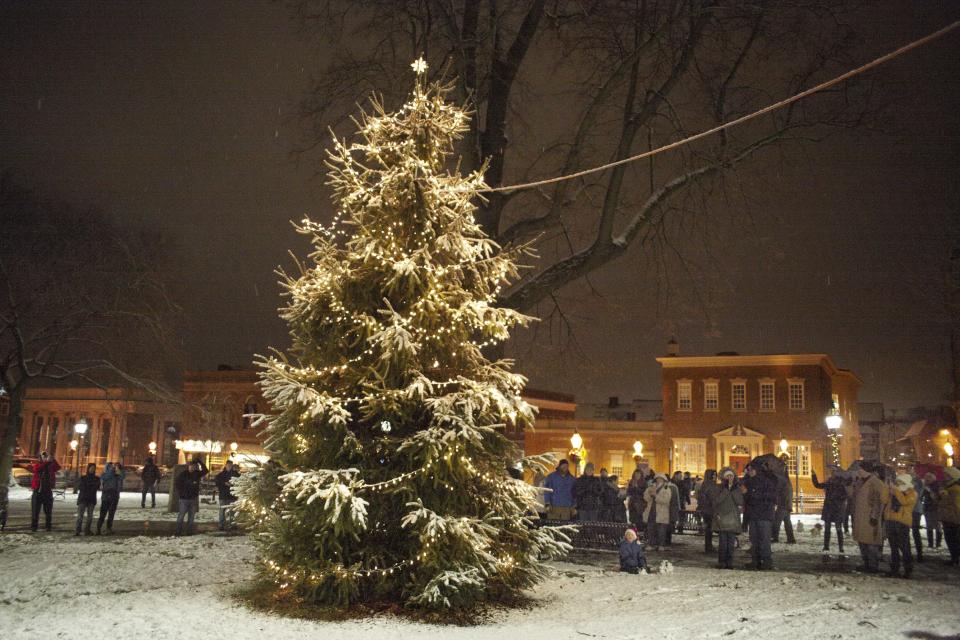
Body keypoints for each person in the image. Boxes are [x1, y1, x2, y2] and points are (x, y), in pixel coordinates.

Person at [851, 463, 888, 573]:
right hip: (860, 517)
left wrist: (875, 515)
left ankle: (873, 565)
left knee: (871, 541)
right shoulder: (859, 481)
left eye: (859, 469)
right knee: (862, 541)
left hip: (870, 517)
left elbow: (881, 498)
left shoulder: (875, 482)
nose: (857, 472)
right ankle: (866, 563)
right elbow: (853, 496)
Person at [741, 462, 777, 570]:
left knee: (764, 539)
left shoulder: (767, 481)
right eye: (748, 469)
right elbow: (748, 500)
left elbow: (768, 497)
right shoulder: (749, 482)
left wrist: (749, 493)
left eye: (752, 469)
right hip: (754, 515)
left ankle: (766, 561)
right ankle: (755, 561)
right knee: (754, 539)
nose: (749, 471)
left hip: (764, 515)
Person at [884, 473, 917, 578]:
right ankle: (895, 568)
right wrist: (887, 490)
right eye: (897, 482)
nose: (897, 484)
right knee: (893, 547)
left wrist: (896, 491)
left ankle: (908, 569)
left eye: (900, 482)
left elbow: (904, 501)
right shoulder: (894, 492)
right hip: (891, 520)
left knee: (904, 547)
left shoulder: (912, 493)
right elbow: (884, 500)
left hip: (902, 522)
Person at [812, 466, 848, 554]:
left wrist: (836, 499)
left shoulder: (841, 485)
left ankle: (840, 547)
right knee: (827, 529)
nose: (832, 474)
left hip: (836, 509)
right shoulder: (829, 483)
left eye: (833, 472)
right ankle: (827, 546)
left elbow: (844, 496)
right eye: (832, 473)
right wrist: (813, 475)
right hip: (829, 508)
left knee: (838, 529)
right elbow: (817, 485)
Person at [714, 468, 743, 569]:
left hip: (733, 519)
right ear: (723, 478)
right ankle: (722, 562)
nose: (730, 478)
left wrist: (733, 491)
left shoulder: (737, 488)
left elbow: (740, 501)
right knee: (722, 543)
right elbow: (717, 501)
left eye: (731, 476)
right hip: (722, 518)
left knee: (731, 543)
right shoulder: (719, 488)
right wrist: (726, 490)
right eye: (728, 476)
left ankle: (729, 562)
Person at [175, 457, 209, 536]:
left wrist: (200, 462)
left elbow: (206, 470)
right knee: (181, 515)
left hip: (193, 498)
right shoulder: (183, 474)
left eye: (194, 466)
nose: (192, 468)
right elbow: (177, 484)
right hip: (184, 499)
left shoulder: (196, 473)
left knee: (191, 517)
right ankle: (178, 531)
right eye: (191, 466)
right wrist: (181, 493)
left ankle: (189, 531)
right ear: (188, 466)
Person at [29, 452, 60, 532]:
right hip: (38, 491)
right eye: (44, 456)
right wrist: (47, 462)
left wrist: (53, 460)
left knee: (48, 511)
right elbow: (37, 469)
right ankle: (34, 526)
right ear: (40, 458)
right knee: (35, 511)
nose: (45, 458)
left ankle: (48, 526)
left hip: (47, 491)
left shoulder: (50, 466)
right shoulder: (38, 465)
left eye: (46, 456)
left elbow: (58, 467)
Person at [938, 466, 960, 566]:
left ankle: (955, 559)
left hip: (953, 518)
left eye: (946, 474)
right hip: (948, 517)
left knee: (953, 539)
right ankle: (954, 558)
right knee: (950, 538)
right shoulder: (948, 487)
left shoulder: (955, 489)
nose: (944, 476)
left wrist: (944, 496)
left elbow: (955, 504)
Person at [645, 474, 673, 551]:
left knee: (661, 529)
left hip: (662, 512)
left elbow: (666, 500)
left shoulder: (667, 489)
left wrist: (656, 496)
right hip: (651, 511)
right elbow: (645, 497)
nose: (659, 480)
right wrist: (650, 495)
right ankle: (651, 543)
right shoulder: (651, 487)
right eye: (657, 479)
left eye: (660, 479)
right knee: (651, 528)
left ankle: (661, 544)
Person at [772, 457, 795, 544]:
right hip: (786, 504)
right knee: (787, 522)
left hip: (783, 504)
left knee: (776, 521)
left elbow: (780, 492)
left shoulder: (782, 480)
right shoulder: (786, 480)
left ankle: (775, 537)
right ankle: (791, 539)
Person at [97, 462, 125, 535]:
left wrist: (118, 469)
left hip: (114, 495)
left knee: (111, 513)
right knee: (103, 513)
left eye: (112, 467)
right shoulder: (104, 474)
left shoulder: (116, 475)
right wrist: (112, 471)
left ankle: (109, 528)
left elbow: (122, 477)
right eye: (110, 467)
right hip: (106, 495)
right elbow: (106, 477)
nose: (112, 468)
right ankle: (98, 528)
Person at [696, 469, 720, 553]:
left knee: (708, 529)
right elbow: (713, 499)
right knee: (710, 528)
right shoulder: (711, 485)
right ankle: (709, 547)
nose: (715, 477)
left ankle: (708, 546)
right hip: (710, 510)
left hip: (705, 509)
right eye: (714, 475)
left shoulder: (704, 484)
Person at [215, 460, 241, 531]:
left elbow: (240, 481)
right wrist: (224, 483)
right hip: (223, 495)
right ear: (226, 465)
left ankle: (232, 524)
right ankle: (221, 525)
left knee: (232, 511)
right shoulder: (221, 474)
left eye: (230, 465)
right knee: (222, 511)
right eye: (228, 465)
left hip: (232, 496)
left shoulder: (235, 474)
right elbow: (217, 481)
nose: (229, 466)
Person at [75, 463, 100, 536]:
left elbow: (97, 487)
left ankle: (87, 530)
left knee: (90, 516)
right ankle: (78, 530)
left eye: (94, 468)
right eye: (91, 468)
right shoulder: (83, 478)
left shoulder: (96, 478)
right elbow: (81, 487)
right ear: (88, 468)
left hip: (91, 499)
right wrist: (91, 486)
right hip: (83, 499)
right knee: (80, 516)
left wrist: (89, 486)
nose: (92, 469)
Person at [922, 472, 942, 549]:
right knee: (929, 526)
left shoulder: (937, 485)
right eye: (926, 477)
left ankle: (938, 543)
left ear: (933, 478)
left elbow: (937, 497)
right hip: (927, 508)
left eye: (929, 477)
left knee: (937, 526)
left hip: (935, 508)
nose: (927, 479)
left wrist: (929, 491)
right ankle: (930, 543)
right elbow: (922, 496)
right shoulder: (926, 486)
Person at [667, 472, 681, 542]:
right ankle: (667, 540)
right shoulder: (673, 486)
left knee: (668, 525)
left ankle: (667, 540)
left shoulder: (672, 487)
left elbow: (675, 499)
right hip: (671, 508)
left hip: (670, 508)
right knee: (668, 525)